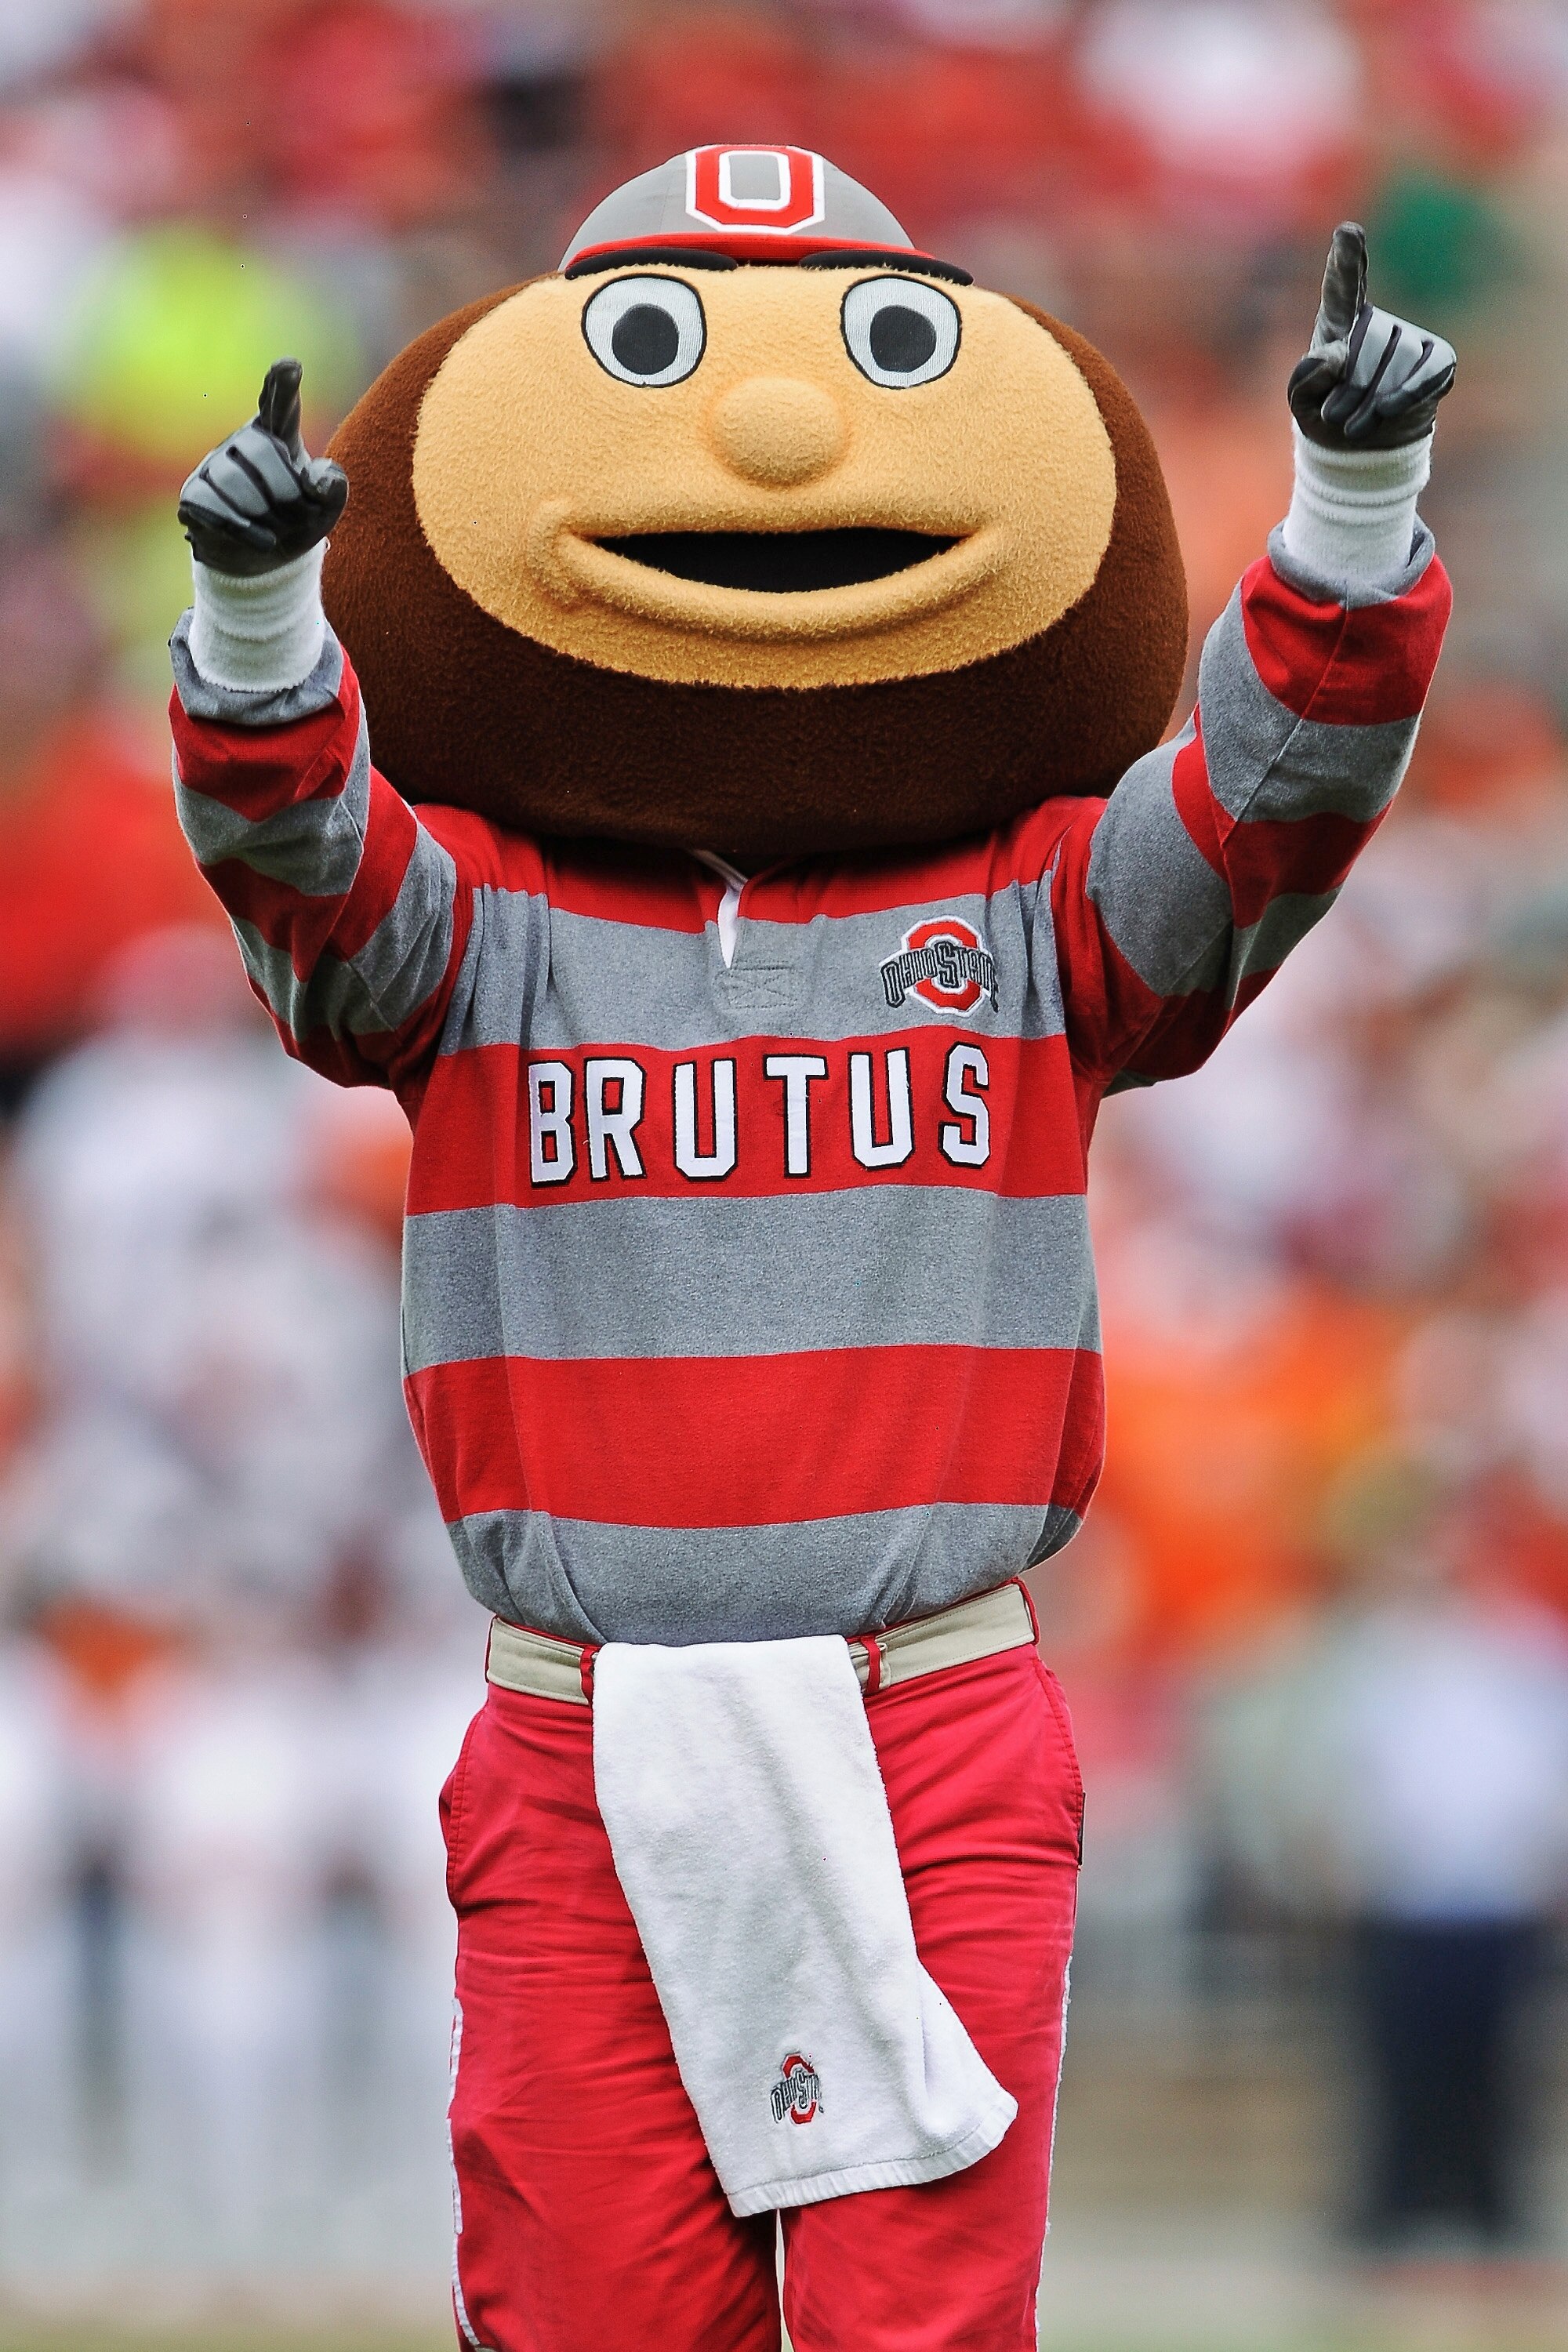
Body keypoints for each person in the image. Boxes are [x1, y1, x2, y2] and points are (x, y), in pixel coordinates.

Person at [165, 150, 1453, 2350]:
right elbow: (298, 865)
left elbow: (1264, 818)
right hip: (586, 1732)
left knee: (919, 2328)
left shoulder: (1035, 909)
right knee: (581, 2318)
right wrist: (265, 624)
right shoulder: (484, 927)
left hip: (924, 1711)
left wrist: (1350, 509)